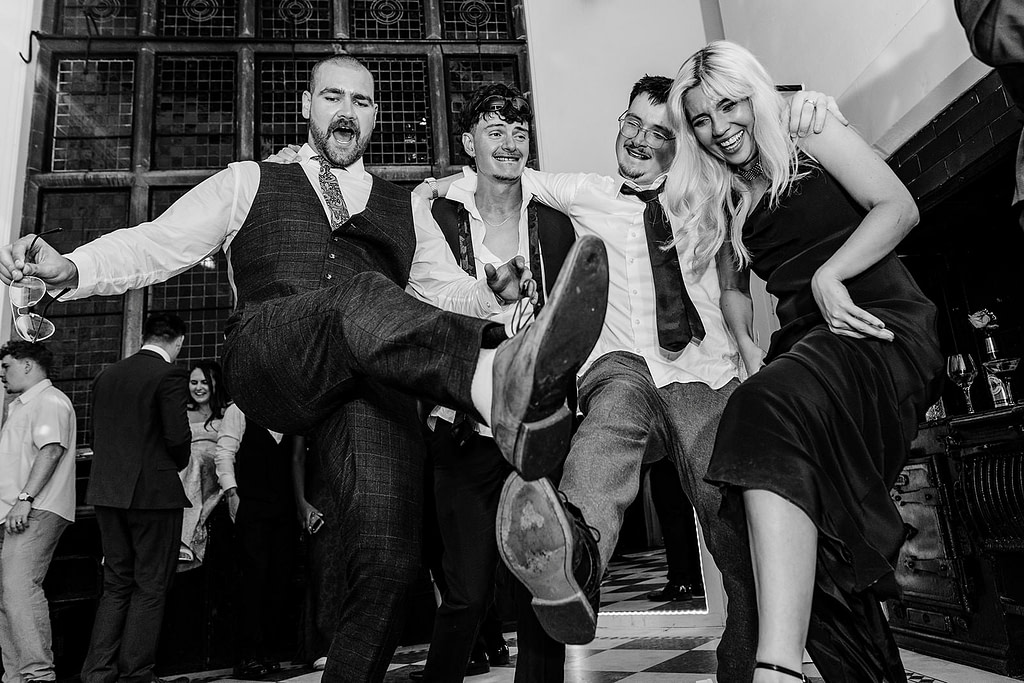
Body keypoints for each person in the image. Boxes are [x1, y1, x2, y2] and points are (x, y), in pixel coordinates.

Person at [0, 54, 608, 682]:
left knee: (390, 563)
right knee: (360, 294)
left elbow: (447, 291)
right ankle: (492, 387)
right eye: (333, 98)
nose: (347, 112)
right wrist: (72, 268)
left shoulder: (407, 207)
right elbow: (158, 241)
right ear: (306, 106)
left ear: (375, 117)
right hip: (273, 350)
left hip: (371, 381)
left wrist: (510, 309)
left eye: (362, 102)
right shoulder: (248, 180)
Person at [423, 75, 839, 683]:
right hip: (620, 365)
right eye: (632, 123)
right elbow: (503, 172)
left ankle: (747, 664)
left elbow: (732, 281)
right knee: (604, 438)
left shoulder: (708, 194)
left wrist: (748, 347)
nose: (640, 138)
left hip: (702, 374)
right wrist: (436, 186)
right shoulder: (585, 191)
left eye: (659, 130)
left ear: (681, 142)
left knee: (733, 534)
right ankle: (575, 558)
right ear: (618, 124)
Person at [666, 41, 943, 683]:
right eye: (701, 120)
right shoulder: (727, 187)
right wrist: (745, 341)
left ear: (755, 95)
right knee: (798, 514)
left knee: (761, 410)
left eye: (729, 106)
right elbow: (733, 282)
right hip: (807, 341)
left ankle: (778, 667)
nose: (718, 129)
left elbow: (899, 205)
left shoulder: (806, 126)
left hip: (876, 320)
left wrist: (832, 274)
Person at [414, 82, 576, 682]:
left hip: (539, 431)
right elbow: (418, 304)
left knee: (546, 585)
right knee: (466, 593)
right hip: (461, 432)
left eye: (518, 131)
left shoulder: (557, 228)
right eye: (494, 130)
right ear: (468, 142)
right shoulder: (437, 218)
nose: (510, 143)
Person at [80, 312, 192, 683]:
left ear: (145, 335)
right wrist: (173, 465)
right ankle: (136, 673)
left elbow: (96, 435)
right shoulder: (169, 374)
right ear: (177, 340)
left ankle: (97, 672)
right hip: (153, 494)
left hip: (107, 492)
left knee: (116, 583)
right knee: (151, 585)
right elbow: (177, 438)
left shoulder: (106, 375)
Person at [0, 341, 77, 683]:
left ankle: (37, 675)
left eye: (7, 366)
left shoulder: (49, 400)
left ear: (29, 365)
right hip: (19, 510)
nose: (2, 373)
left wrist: (25, 498)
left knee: (19, 590)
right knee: (9, 594)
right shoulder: (22, 404)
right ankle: (17, 675)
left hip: (36, 508)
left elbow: (51, 450)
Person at [214, 403, 297, 679]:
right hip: (252, 506)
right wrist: (231, 492)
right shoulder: (239, 410)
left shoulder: (290, 410)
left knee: (279, 578)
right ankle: (246, 655)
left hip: (284, 508)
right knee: (252, 579)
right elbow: (224, 453)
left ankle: (267, 650)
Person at [290, 437, 337, 672]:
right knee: (323, 568)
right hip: (321, 495)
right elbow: (298, 457)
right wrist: (302, 504)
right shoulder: (309, 406)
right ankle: (323, 646)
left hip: (352, 493)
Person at [178, 360, 229, 568]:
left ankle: (185, 539)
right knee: (191, 460)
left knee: (197, 460)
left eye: (204, 382)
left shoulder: (228, 413)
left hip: (216, 471)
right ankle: (183, 537)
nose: (198, 387)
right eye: (193, 382)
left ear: (215, 384)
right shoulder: (182, 414)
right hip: (185, 471)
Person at [644, 457, 703, 603]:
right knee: (687, 516)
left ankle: (680, 582)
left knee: (671, 517)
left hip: (664, 455)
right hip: (685, 459)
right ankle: (697, 580)